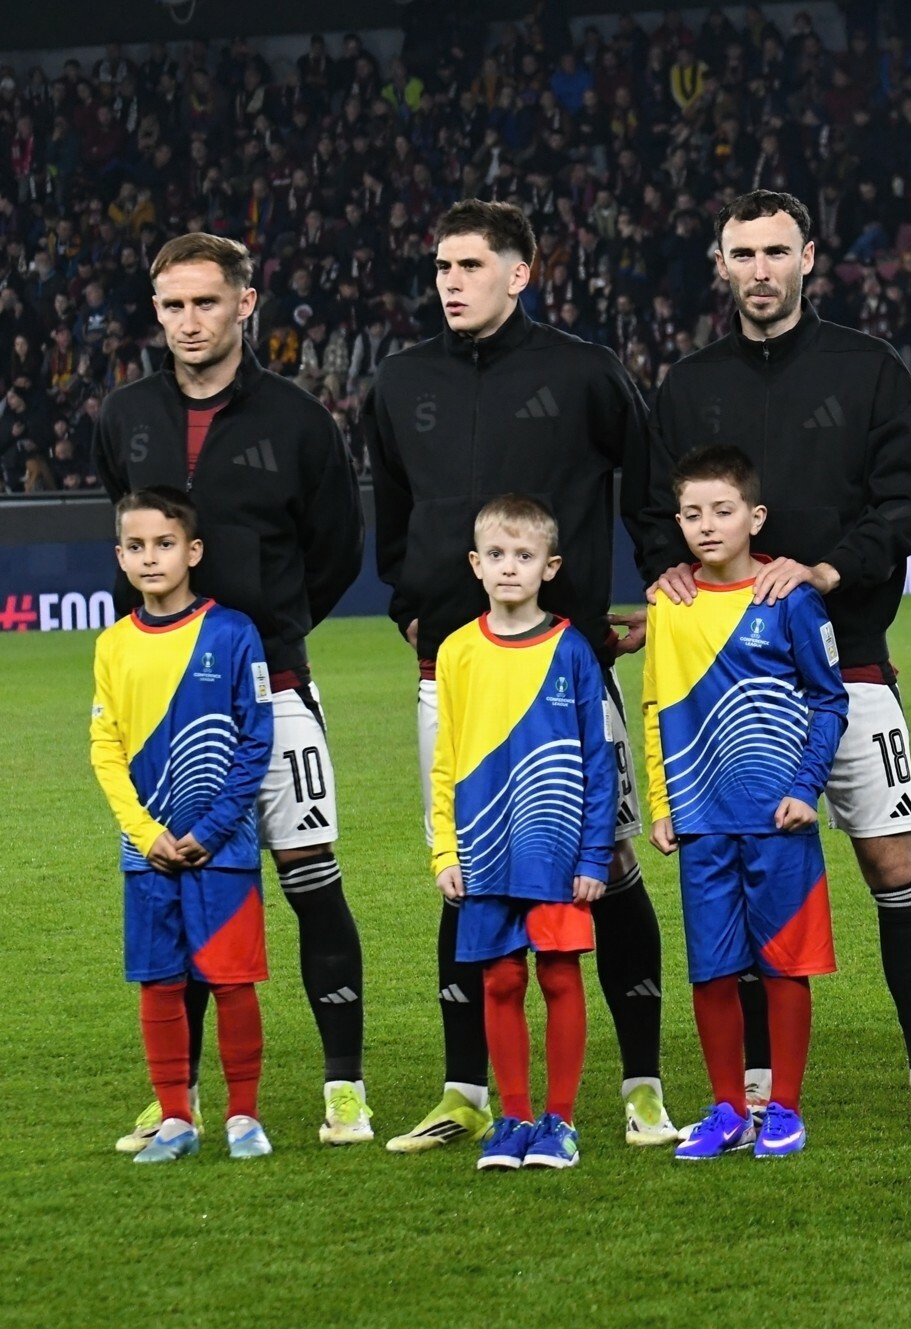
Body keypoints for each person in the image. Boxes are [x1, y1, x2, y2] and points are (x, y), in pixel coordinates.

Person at [643, 190, 911, 1137]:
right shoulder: (686, 385)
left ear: (808, 257)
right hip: (724, 689)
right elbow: (652, 509)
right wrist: (665, 566)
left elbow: (908, 501)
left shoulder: (868, 370)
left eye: (775, 251)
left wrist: (830, 569)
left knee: (891, 859)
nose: (760, 270)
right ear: (721, 263)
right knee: (743, 871)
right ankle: (756, 1091)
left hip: (851, 664)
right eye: (742, 253)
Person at [368, 199, 675, 1153]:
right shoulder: (401, 379)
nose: (450, 282)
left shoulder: (584, 372)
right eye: (440, 267)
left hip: (565, 669)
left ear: (519, 272)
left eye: (469, 265)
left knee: (607, 864)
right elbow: (390, 508)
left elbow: (650, 487)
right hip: (453, 668)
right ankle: (467, 1091)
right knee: (466, 869)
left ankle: (642, 1086)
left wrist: (664, 590)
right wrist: (408, 602)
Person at [94, 233, 369, 1152]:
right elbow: (130, 523)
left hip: (275, 690)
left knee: (312, 882)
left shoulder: (299, 420)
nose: (189, 322)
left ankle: (344, 1086)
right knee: (181, 887)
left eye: (206, 302)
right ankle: (180, 1100)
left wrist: (270, 629)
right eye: (172, 305)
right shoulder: (124, 414)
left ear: (245, 304)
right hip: (165, 711)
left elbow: (336, 551)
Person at [645, 447, 847, 1160]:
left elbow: (829, 699)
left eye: (722, 511)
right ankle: (728, 1108)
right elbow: (655, 705)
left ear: (754, 517)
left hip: (777, 819)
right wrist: (661, 801)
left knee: (785, 966)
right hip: (701, 818)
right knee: (712, 970)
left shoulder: (789, 597)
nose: (707, 525)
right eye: (692, 514)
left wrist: (804, 788)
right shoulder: (669, 604)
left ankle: (785, 1107)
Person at [430, 496, 616, 1171]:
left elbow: (598, 761)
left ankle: (559, 1122)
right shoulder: (456, 651)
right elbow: (445, 760)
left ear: (549, 567)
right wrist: (444, 850)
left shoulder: (572, 650)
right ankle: (512, 1119)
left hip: (556, 852)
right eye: (497, 555)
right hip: (484, 847)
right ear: (476, 564)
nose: (510, 567)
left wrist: (594, 854)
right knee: (501, 981)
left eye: (525, 556)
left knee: (560, 977)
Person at [89, 488, 274, 1163]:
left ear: (192, 551)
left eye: (164, 544)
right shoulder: (113, 644)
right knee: (160, 981)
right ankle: (175, 1118)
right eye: (135, 546)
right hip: (149, 853)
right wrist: (145, 834)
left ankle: (244, 1117)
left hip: (222, 850)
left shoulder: (233, 632)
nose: (150, 557)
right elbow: (105, 749)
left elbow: (256, 739)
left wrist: (215, 827)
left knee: (232, 981)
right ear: (120, 556)